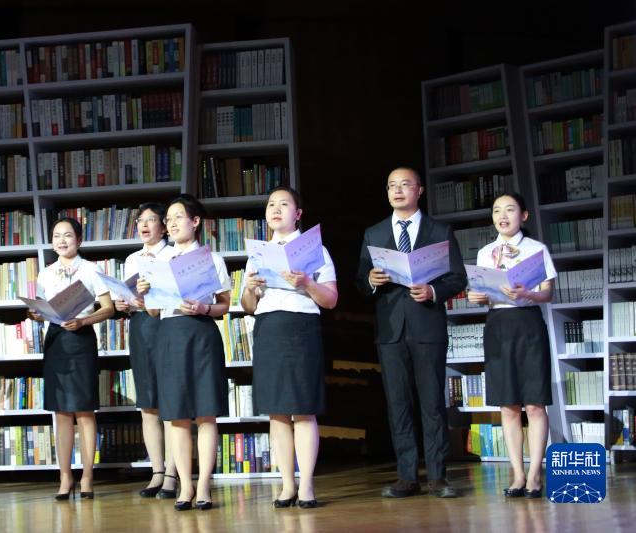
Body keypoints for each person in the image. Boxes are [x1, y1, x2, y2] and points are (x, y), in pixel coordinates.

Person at [355, 167, 467, 498]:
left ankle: (438, 476)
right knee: (398, 403)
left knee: (432, 402)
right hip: (391, 329)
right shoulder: (374, 233)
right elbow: (360, 280)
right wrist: (370, 281)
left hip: (427, 324)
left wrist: (433, 291)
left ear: (419, 191)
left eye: (405, 184)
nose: (398, 190)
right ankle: (406, 476)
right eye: (392, 185)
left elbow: (458, 277)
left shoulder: (439, 230)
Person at [241, 186, 337, 508]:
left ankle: (306, 485)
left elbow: (331, 299)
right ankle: (286, 485)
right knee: (277, 411)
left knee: (304, 408)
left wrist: (306, 282)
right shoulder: (258, 253)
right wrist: (250, 289)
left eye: (284, 204)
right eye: (271, 204)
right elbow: (248, 306)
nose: (276, 209)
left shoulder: (316, 250)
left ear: (298, 214)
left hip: (301, 328)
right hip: (268, 328)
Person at [141, 194, 230, 511]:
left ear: (195, 221)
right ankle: (185, 485)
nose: (172, 223)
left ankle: (204, 484)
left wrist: (205, 308)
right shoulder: (159, 262)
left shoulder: (211, 259)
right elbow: (153, 312)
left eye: (178, 216)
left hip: (201, 333)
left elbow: (224, 305)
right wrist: (145, 295)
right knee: (176, 414)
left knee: (206, 413)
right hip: (169, 334)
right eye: (168, 219)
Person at [466, 193, 555, 499]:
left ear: (524, 215)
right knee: (508, 404)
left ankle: (535, 474)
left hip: (528, 323)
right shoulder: (485, 253)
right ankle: (517, 474)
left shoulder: (536, 249)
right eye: (497, 211)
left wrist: (527, 294)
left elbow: (547, 294)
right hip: (498, 325)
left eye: (510, 210)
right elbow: (480, 293)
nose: (502, 216)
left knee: (535, 403)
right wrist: (475, 297)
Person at [31, 217, 114, 500]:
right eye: (56, 236)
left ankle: (88, 475)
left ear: (79, 239)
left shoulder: (91, 269)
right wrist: (35, 313)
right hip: (55, 340)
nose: (61, 241)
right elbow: (41, 308)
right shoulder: (46, 273)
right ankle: (65, 476)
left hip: (81, 338)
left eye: (67, 235)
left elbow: (109, 308)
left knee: (84, 411)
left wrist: (83, 321)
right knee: (61, 412)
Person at [113, 202, 178, 498]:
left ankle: (173, 473)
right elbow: (127, 297)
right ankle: (157, 472)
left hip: (166, 324)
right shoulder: (132, 259)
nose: (144, 224)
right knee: (148, 404)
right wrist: (123, 303)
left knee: (171, 403)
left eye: (151, 219)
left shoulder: (173, 254)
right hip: (140, 326)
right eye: (140, 220)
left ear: (163, 226)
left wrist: (152, 297)